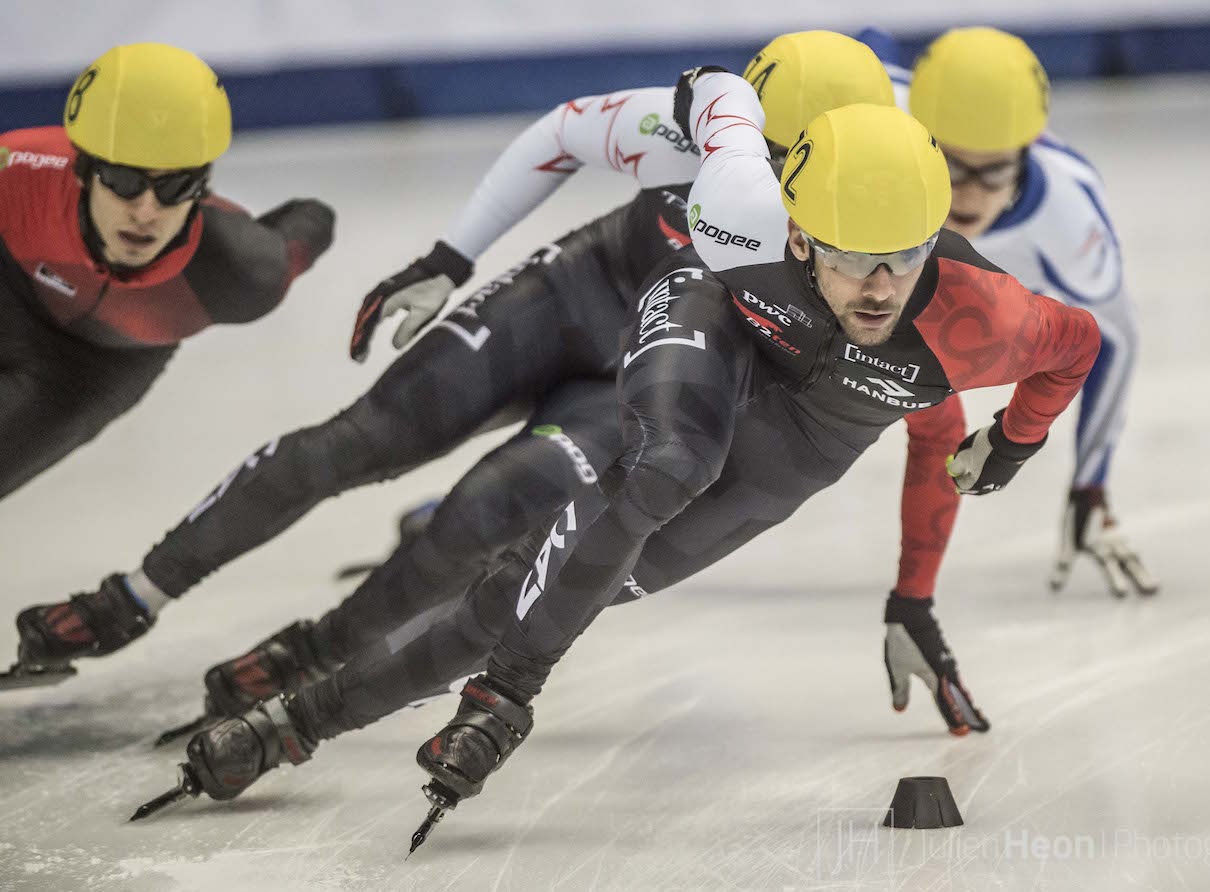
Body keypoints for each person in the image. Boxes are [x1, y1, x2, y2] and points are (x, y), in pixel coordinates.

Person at [168, 71, 1099, 812]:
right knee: (667, 466)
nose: (879, 289)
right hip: (717, 312)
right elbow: (716, 93)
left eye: (905, 257)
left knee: (543, 584)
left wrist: (1011, 445)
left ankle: (297, 724)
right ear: (799, 229)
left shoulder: (988, 321)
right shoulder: (743, 206)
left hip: (805, 435)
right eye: (853, 255)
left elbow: (1076, 351)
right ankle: (504, 696)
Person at [15, 34, 972, 726]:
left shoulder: (877, 214)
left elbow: (931, 404)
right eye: (762, 163)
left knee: (485, 510)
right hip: (586, 290)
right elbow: (560, 134)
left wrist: (914, 593)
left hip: (652, 371)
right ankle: (130, 597)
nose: (772, 201)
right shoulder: (699, 136)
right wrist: (448, 254)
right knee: (358, 442)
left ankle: (316, 650)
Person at [0, 43, 333, 674]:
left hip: (88, 372)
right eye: (124, 180)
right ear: (81, 168)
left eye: (175, 184)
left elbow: (311, 222)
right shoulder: (18, 166)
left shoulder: (238, 271)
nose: (146, 210)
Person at [861, 26, 1158, 599]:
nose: (969, 196)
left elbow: (1115, 340)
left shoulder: (1070, 222)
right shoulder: (877, 127)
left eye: (992, 172)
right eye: (951, 164)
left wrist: (1089, 485)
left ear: (1028, 150)